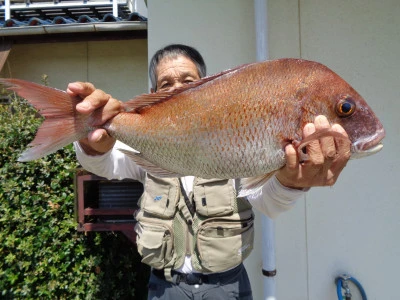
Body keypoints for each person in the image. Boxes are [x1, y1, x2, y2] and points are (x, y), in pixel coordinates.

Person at [68, 44, 351, 300]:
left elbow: (268, 201)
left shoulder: (234, 134)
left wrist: (291, 183)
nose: (176, 88)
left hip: (227, 287)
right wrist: (92, 143)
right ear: (153, 96)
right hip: (164, 288)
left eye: (188, 82)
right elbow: (105, 164)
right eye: (166, 83)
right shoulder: (145, 140)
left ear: (205, 86)